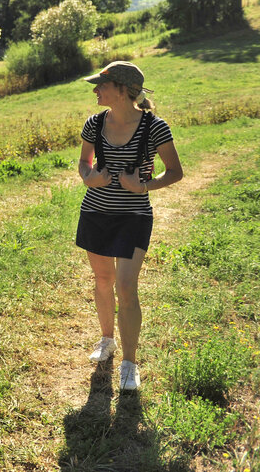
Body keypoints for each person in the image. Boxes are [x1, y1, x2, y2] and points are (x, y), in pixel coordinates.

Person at [77, 61, 182, 392]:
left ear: (122, 91)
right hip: (96, 212)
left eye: (101, 86)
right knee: (103, 279)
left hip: (134, 216)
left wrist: (144, 187)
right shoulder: (94, 124)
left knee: (126, 286)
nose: (95, 90)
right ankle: (107, 340)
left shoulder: (155, 128)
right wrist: (89, 177)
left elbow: (175, 171)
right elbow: (84, 162)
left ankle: (129, 363)